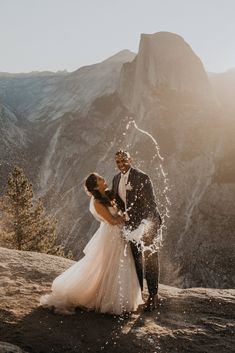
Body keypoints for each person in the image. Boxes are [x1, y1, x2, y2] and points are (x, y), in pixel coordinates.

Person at [40, 172, 143, 315]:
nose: (103, 179)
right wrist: (126, 217)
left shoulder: (107, 194)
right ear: (95, 186)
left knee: (122, 262)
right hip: (112, 235)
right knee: (113, 264)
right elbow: (112, 221)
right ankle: (110, 299)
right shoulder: (97, 201)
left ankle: (121, 298)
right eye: (100, 179)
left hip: (120, 233)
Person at [112, 150, 162, 311]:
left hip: (148, 224)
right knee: (136, 260)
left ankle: (154, 295)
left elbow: (151, 205)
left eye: (124, 161)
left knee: (150, 258)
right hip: (130, 226)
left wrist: (144, 226)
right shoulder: (115, 179)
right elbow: (117, 201)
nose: (121, 165)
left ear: (130, 160)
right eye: (118, 162)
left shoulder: (142, 177)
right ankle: (139, 295)